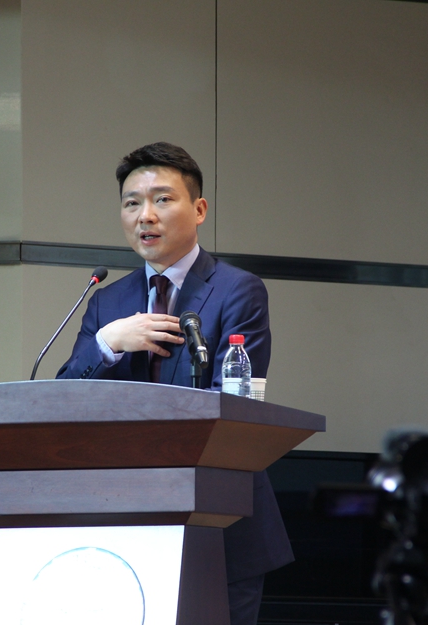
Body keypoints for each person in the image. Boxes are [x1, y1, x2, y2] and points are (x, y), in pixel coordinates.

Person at [56, 142, 293, 625]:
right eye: (132, 203)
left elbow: (235, 404)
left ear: (199, 210)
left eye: (162, 199)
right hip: (125, 523)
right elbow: (65, 397)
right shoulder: (107, 301)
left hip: (219, 522)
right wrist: (108, 342)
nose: (145, 215)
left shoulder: (237, 289)